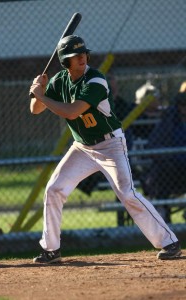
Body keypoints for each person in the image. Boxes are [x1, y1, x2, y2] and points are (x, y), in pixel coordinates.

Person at [29, 35, 181, 263]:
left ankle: (169, 242)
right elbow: (35, 109)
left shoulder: (96, 80)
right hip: (82, 147)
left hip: (110, 145)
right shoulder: (60, 80)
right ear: (65, 62)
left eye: (83, 54)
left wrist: (42, 96)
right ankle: (51, 249)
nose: (82, 58)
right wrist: (39, 90)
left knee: (126, 193)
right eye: (74, 56)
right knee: (54, 189)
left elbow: (72, 111)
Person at [140, 91, 186, 222]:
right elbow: (153, 145)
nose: (184, 108)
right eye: (182, 105)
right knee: (160, 172)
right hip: (172, 169)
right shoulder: (169, 123)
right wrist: (169, 158)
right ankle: (162, 212)